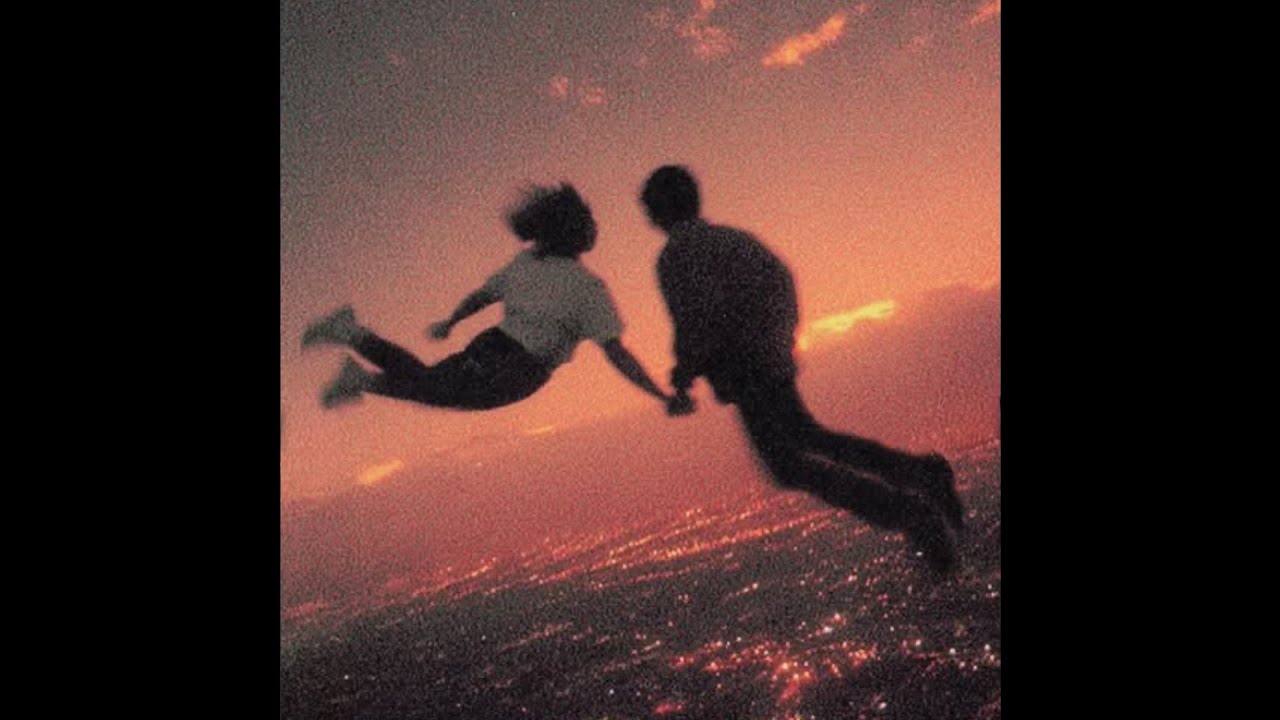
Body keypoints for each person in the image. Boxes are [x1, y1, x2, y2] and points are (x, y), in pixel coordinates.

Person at [640, 165, 965, 574]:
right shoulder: (732, 239)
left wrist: (686, 372)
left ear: (659, 211)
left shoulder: (675, 257)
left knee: (787, 464)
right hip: (767, 357)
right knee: (807, 436)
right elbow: (779, 279)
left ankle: (909, 511)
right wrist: (778, 341)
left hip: (744, 366)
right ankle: (920, 477)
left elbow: (695, 319)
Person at [302, 183, 672, 412]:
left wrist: (452, 320)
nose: (595, 228)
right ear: (575, 232)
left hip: (492, 346)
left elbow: (483, 296)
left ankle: (355, 348)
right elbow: (618, 354)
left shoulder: (525, 263)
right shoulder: (588, 290)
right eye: (589, 222)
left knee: (429, 384)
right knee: (431, 388)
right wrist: (660, 395)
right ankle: (356, 357)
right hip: (520, 369)